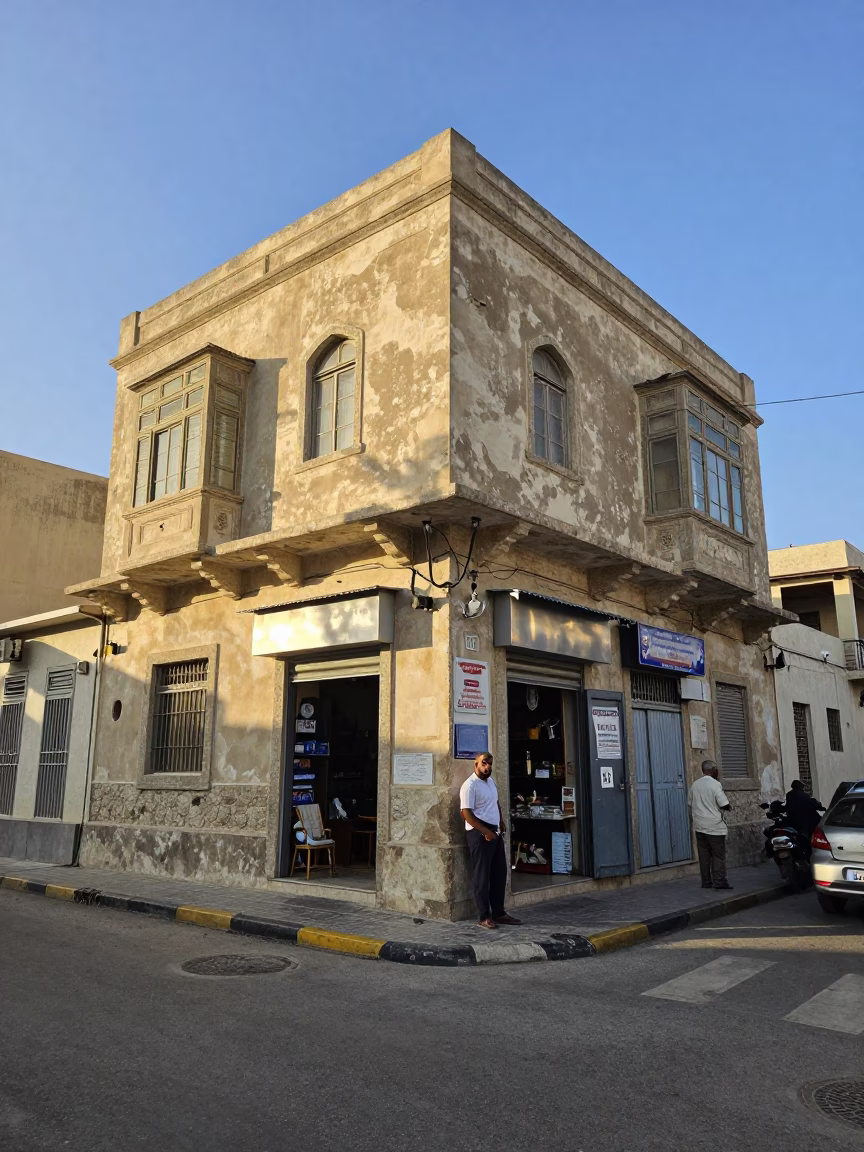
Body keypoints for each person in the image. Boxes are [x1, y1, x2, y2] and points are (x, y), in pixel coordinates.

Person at [459, 751, 522, 929]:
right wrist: (485, 831)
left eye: (490, 764)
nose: (488, 767)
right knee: (481, 876)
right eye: (484, 763)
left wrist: (501, 821)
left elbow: (495, 803)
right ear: (476, 764)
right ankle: (483, 916)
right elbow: (466, 813)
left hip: (494, 832)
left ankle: (499, 912)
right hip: (479, 834)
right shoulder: (470, 786)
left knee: (499, 874)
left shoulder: (491, 782)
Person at [688, 759, 733, 890]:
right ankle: (719, 882)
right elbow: (724, 804)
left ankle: (706, 882)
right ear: (713, 770)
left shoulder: (695, 785)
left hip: (699, 826)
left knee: (704, 856)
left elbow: (690, 804)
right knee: (718, 855)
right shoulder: (715, 785)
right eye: (716, 769)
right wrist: (729, 807)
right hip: (714, 827)